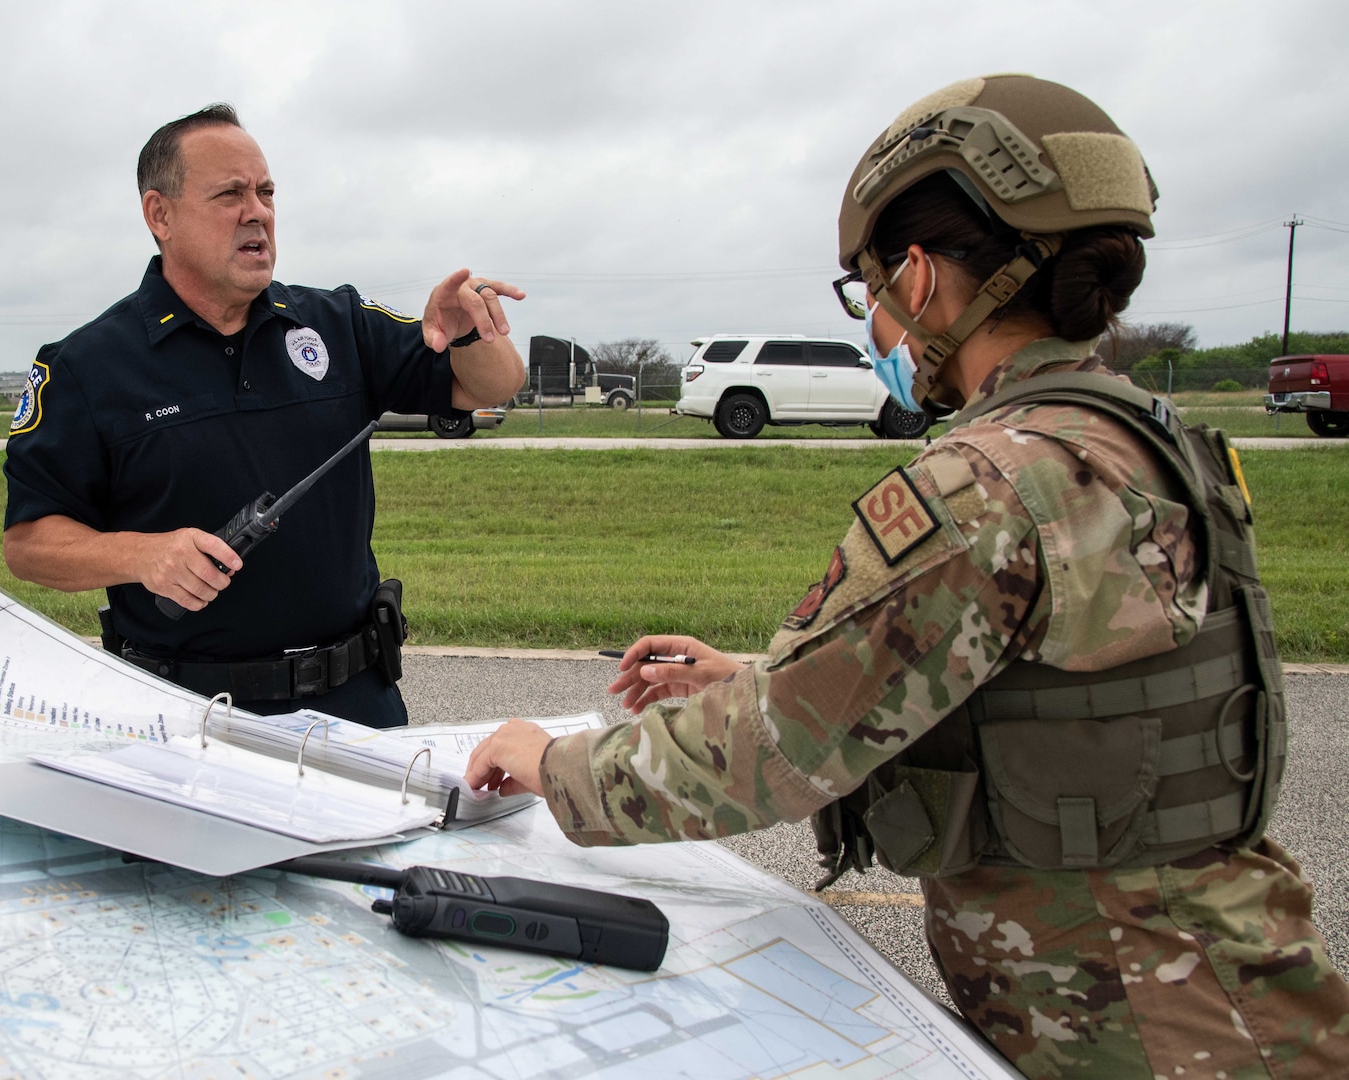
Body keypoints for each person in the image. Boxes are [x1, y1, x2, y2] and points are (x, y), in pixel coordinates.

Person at [467, 75, 1349, 1077]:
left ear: (921, 279)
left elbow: (774, 753)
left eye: (873, 293)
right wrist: (757, 675)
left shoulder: (989, 485)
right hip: (1220, 994)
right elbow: (1055, 689)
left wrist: (554, 762)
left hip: (1139, 1033)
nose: (878, 325)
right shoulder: (1144, 437)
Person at [3, 104, 525, 729]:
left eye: (266, 192)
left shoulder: (338, 324)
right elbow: (28, 545)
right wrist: (141, 556)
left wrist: (472, 332)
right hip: (182, 721)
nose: (258, 212)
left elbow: (491, 386)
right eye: (230, 194)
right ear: (159, 215)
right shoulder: (86, 367)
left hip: (353, 709)